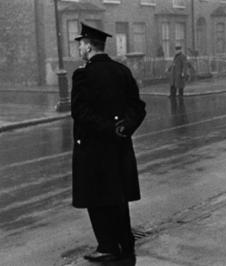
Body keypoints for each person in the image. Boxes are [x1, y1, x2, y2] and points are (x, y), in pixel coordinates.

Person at [71, 23, 146, 263]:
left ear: (89, 46)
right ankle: (125, 241)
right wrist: (124, 127)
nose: (80, 49)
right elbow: (138, 108)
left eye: (81, 44)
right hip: (119, 148)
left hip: (93, 150)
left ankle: (107, 246)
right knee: (118, 197)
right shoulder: (122, 71)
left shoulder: (82, 75)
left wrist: (107, 129)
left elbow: (79, 112)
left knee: (97, 200)